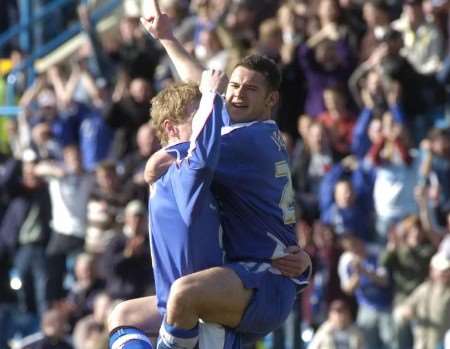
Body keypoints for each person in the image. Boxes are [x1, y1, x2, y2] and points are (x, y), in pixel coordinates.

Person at [109, 1, 311, 347]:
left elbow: (199, 144)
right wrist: (168, 38)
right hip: (242, 276)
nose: (236, 94)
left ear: (271, 100)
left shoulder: (251, 140)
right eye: (234, 85)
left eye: (250, 90)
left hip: (265, 279)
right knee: (122, 317)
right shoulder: (248, 129)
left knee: (183, 294)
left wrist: (162, 154)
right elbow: (205, 91)